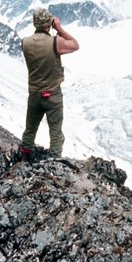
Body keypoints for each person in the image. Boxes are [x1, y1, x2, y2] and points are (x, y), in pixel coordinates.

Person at [19, 8, 79, 161]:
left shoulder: (25, 42)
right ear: (49, 24)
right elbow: (74, 45)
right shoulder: (55, 42)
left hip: (34, 94)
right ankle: (53, 160)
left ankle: (25, 157)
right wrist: (59, 29)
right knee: (55, 130)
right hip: (52, 94)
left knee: (30, 128)